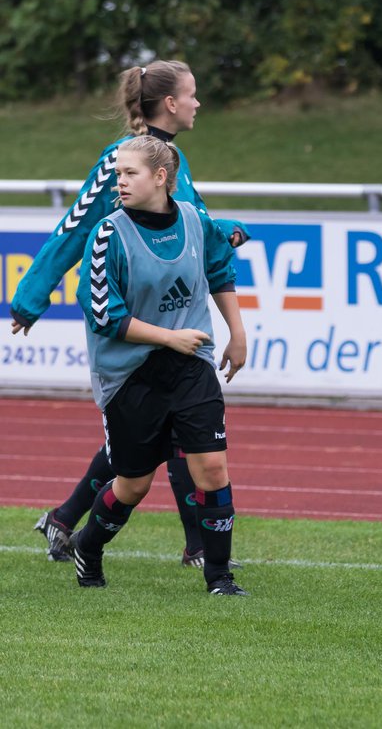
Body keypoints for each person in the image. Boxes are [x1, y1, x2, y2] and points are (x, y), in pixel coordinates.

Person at [11, 61, 249, 568]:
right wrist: (31, 296)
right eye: (192, 94)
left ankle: (189, 544)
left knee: (170, 434)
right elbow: (74, 227)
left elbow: (186, 221)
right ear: (169, 104)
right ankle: (172, 541)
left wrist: (222, 228)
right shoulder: (119, 160)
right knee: (145, 443)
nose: (197, 103)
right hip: (129, 326)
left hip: (173, 325)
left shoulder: (169, 160)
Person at [69, 134, 248, 595]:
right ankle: (87, 547)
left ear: (161, 178)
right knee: (133, 485)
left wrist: (237, 333)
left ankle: (219, 577)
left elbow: (219, 265)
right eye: (118, 174)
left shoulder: (192, 219)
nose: (120, 183)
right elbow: (103, 315)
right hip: (130, 374)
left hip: (191, 365)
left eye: (130, 173)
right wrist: (171, 337)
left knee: (212, 469)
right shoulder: (108, 233)